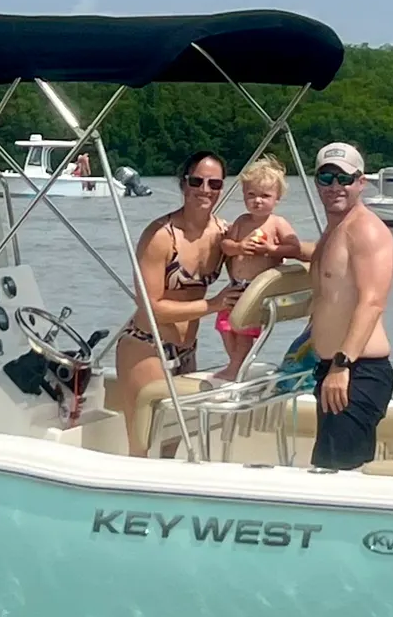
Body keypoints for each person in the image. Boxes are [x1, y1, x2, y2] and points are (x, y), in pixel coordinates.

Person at [113, 149, 229, 439]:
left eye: (214, 184)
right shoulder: (161, 236)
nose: (205, 190)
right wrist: (213, 305)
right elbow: (151, 307)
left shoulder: (224, 234)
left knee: (175, 441)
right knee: (145, 441)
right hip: (146, 346)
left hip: (187, 350)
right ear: (183, 184)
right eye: (196, 181)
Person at [305, 141, 393, 470]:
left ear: (361, 182)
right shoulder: (334, 231)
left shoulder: (367, 231)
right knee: (327, 469)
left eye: (344, 179)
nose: (335, 187)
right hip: (331, 370)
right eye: (326, 178)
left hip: (357, 372)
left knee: (337, 475)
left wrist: (342, 365)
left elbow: (372, 303)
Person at [214, 157, 311, 378]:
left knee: (244, 330)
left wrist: (270, 249)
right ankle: (236, 363)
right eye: (251, 195)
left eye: (265, 196)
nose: (257, 201)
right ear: (244, 196)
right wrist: (239, 246)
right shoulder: (241, 221)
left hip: (257, 290)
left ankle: (235, 367)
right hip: (236, 286)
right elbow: (225, 245)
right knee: (225, 328)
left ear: (277, 198)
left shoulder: (277, 223)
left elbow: (293, 246)